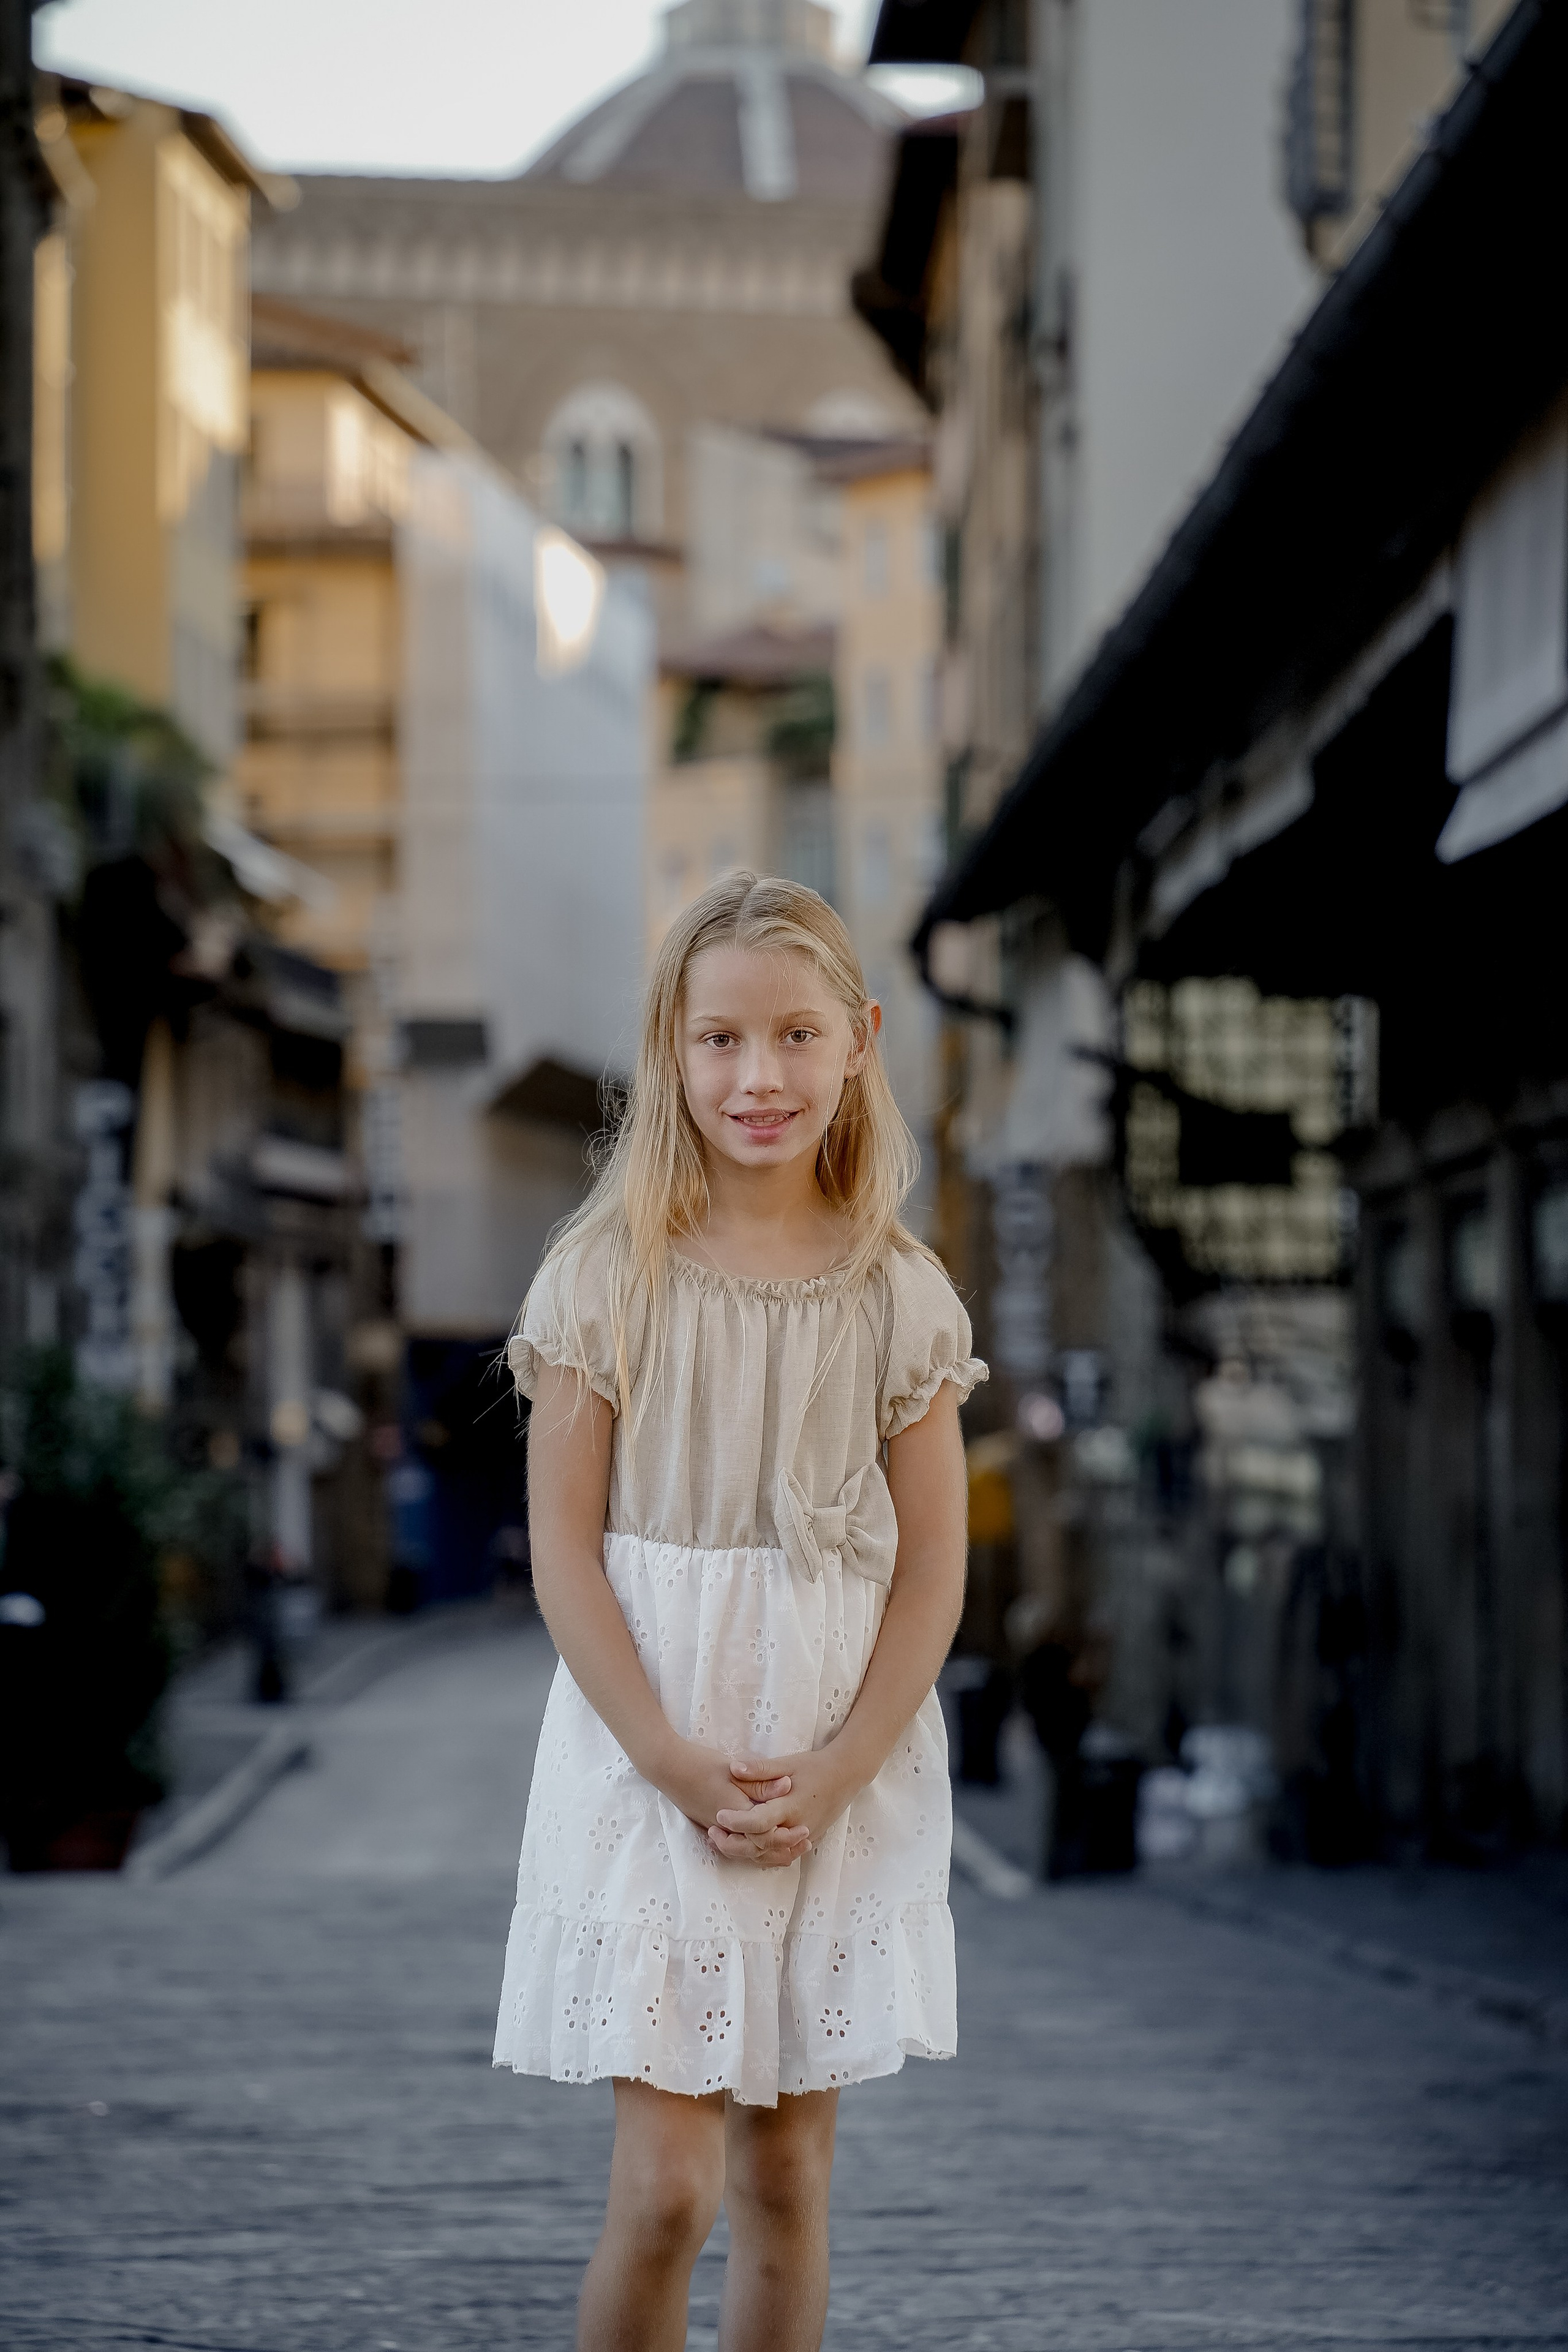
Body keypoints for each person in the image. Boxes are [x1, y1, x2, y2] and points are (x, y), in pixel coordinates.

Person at [494, 872, 985, 2352]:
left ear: (859, 1042)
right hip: (649, 1754)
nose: (756, 1076)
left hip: (833, 1759)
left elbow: (932, 1569)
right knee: (665, 2192)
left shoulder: (899, 1293)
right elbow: (563, 1552)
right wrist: (666, 1758)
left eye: (793, 1035)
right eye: (718, 1040)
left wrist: (836, 1771)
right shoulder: (602, 1279)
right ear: (669, 1048)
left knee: (784, 2176)